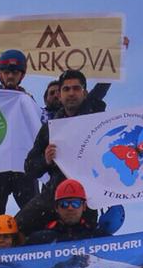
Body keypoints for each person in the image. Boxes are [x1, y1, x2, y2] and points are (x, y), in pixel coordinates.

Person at [18, 69, 124, 238]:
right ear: (59, 95)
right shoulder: (50, 129)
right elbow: (29, 168)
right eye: (66, 89)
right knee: (15, 230)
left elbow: (102, 86)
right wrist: (45, 160)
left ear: (85, 93)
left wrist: (118, 53)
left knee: (83, 246)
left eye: (76, 88)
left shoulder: (96, 119)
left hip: (86, 198)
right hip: (52, 196)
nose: (71, 93)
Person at [0, 49, 39, 224]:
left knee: (34, 211)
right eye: (6, 72)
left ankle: (34, 249)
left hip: (22, 164)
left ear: (22, 75)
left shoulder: (29, 101)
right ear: (0, 75)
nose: (10, 76)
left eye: (14, 72)